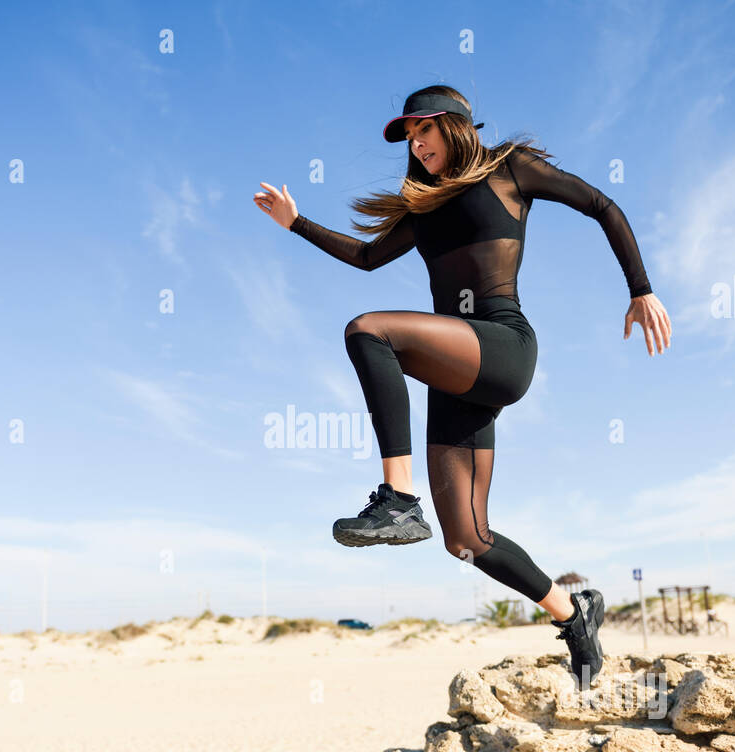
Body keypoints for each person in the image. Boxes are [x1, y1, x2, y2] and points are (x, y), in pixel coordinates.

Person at [253, 86, 671, 688]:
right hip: (458, 371)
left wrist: (641, 288)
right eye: (408, 138)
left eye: (423, 130)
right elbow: (369, 257)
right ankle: (572, 613)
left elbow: (602, 204)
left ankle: (397, 499)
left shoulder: (511, 169)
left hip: (501, 345)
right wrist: (297, 224)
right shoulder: (423, 206)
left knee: (369, 331)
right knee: (466, 538)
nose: (416, 145)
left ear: (455, 125)